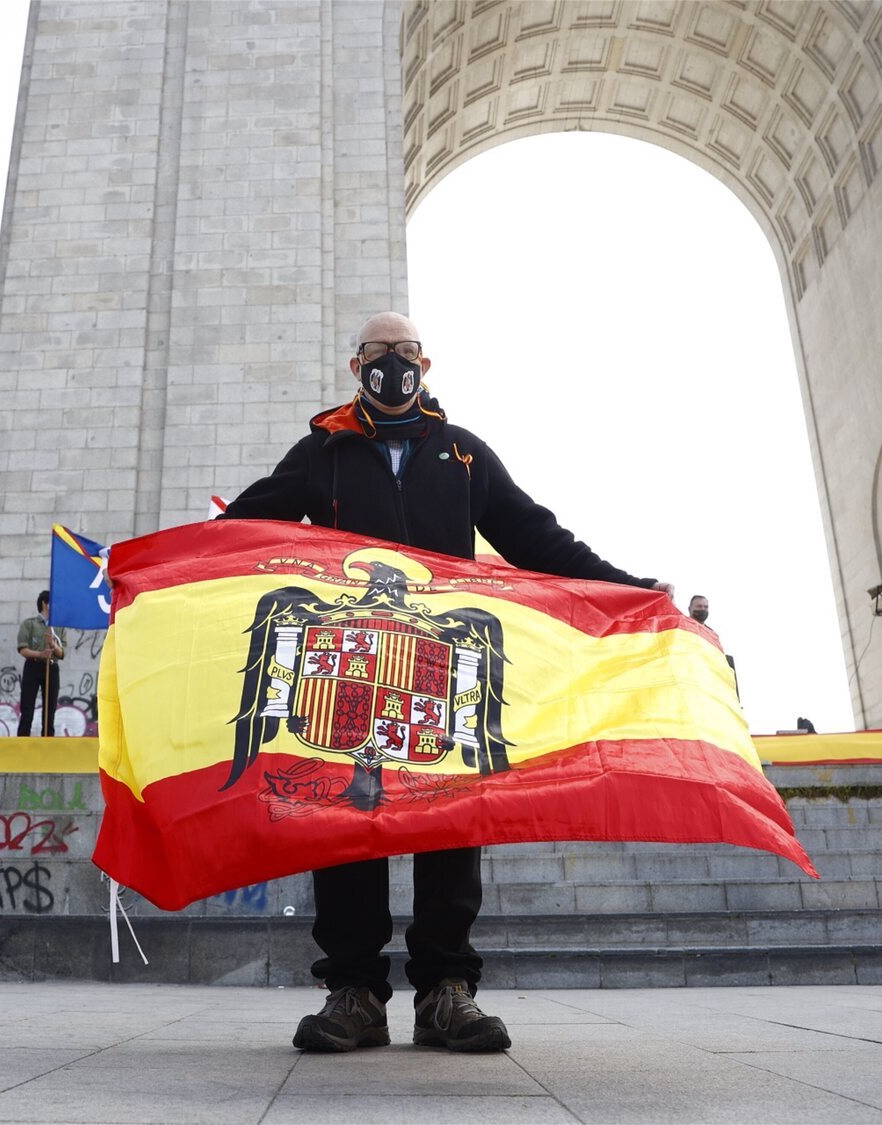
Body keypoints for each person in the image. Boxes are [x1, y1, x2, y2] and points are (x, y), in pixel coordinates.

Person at [223, 311, 672, 1054]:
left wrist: (629, 587)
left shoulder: (463, 454)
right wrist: (169, 565)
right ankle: (355, 993)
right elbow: (246, 526)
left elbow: (538, 537)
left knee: (450, 827)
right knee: (345, 826)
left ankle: (445, 992)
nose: (392, 364)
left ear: (424, 365)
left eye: (404, 353)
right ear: (354, 365)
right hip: (351, 675)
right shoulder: (323, 452)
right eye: (378, 352)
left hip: (439, 673)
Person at [17, 589, 66, 737]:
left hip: (51, 668)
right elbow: (22, 649)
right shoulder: (29, 624)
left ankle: (47, 742)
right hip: (33, 666)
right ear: (45, 603)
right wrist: (40, 654)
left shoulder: (58, 627)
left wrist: (53, 645)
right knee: (27, 708)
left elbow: (62, 653)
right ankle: (22, 743)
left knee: (50, 710)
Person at [689, 593, 738, 694]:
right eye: (699, 606)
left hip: (708, 678)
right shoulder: (683, 625)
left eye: (705, 607)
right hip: (689, 673)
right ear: (690, 608)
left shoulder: (712, 634)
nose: (703, 609)